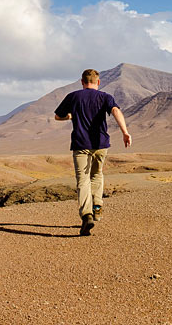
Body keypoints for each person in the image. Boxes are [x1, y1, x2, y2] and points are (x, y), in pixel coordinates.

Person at [54, 68, 131, 236]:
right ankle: (97, 205)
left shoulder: (73, 96)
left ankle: (87, 214)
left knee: (83, 180)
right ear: (98, 82)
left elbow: (57, 116)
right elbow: (116, 111)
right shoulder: (105, 97)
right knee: (97, 175)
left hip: (80, 144)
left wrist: (69, 117)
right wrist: (125, 132)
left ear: (82, 82)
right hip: (101, 144)